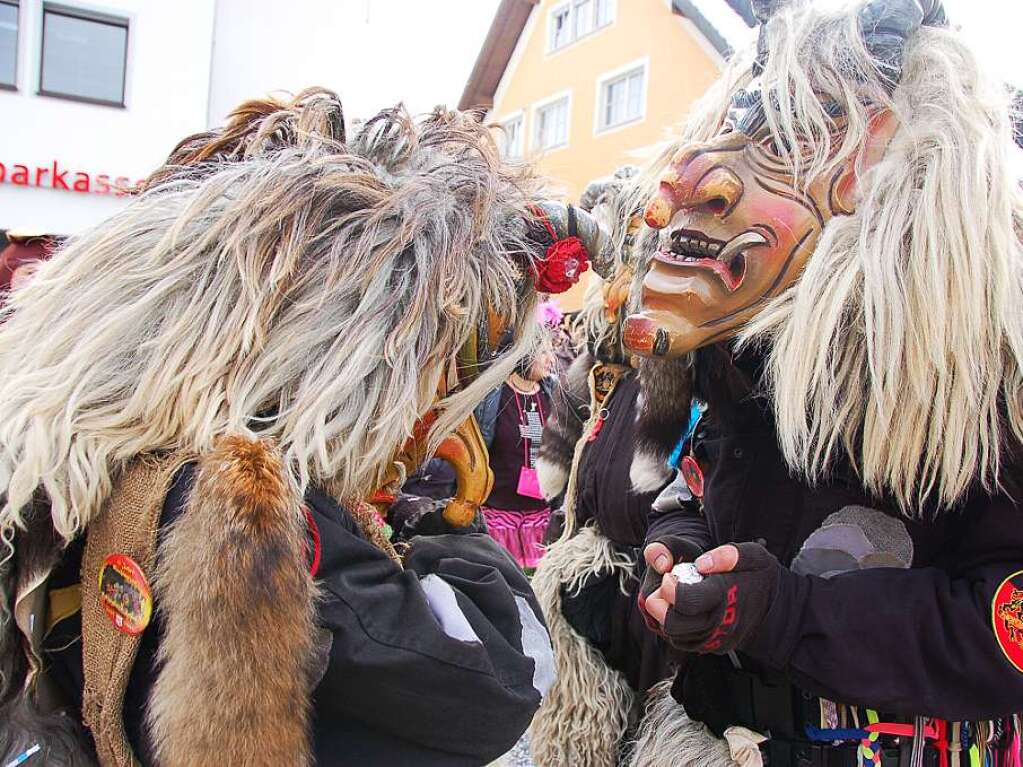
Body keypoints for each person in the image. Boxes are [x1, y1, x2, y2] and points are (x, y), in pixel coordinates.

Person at [0, 89, 608, 767]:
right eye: (436, 365)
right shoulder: (258, 508)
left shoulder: (114, 459)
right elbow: (500, 675)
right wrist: (449, 528)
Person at [619, 1, 1023, 765]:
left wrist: (785, 612)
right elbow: (694, 471)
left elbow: (1001, 631)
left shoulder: (992, 360)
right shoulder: (753, 339)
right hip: (709, 736)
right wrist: (677, 544)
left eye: (799, 133)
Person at [529, 168, 692, 767]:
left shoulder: (682, 366)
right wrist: (563, 532)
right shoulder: (606, 371)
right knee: (587, 730)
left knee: (649, 723)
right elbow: (568, 464)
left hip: (654, 584)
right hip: (592, 571)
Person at [477, 346, 557, 570]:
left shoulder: (552, 392)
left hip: (542, 515)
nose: (551, 359)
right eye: (543, 353)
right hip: (498, 515)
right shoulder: (492, 395)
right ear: (523, 353)